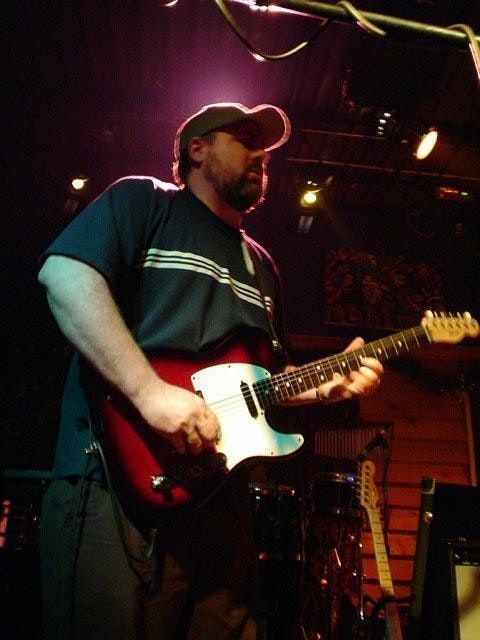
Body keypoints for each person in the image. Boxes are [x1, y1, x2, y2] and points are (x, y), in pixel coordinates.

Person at [38, 102, 384, 640]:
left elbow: (261, 380)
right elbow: (65, 274)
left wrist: (323, 386)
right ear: (196, 149)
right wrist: (150, 393)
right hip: (118, 486)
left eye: (264, 147)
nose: (260, 154)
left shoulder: (262, 265)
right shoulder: (145, 202)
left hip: (222, 499)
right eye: (244, 138)